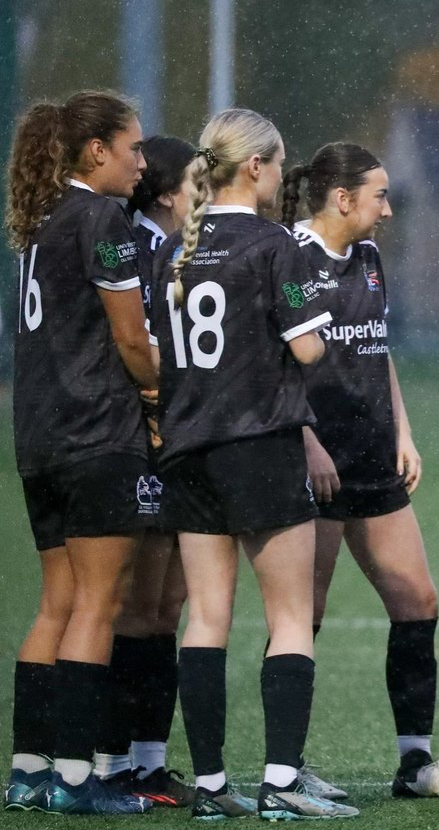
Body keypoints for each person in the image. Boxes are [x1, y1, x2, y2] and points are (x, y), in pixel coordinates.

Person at [149, 108, 357, 820]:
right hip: (259, 444)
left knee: (205, 618)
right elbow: (307, 351)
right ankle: (280, 783)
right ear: (256, 168)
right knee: (291, 616)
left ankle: (210, 789)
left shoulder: (174, 247)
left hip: (186, 449)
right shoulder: (274, 245)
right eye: (279, 161)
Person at [280, 141, 439, 800]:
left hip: (373, 459)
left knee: (418, 602)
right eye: (380, 196)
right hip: (317, 466)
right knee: (301, 617)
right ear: (343, 199)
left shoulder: (366, 260)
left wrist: (405, 431)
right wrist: (306, 440)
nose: (389, 210)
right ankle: (289, 766)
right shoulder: (288, 257)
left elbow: (378, 349)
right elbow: (273, 367)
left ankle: (415, 764)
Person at [4, 90, 157, 815]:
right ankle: (75, 779)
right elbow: (131, 340)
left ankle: (29, 771)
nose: (142, 162)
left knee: (57, 603)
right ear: (96, 151)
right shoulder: (102, 218)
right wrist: (161, 397)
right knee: (100, 601)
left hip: (38, 437)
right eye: (133, 148)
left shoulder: (42, 223)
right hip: (96, 433)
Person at [90, 134, 199, 809]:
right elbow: (135, 347)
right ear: (165, 192)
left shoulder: (174, 254)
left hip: (180, 439)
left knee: (166, 608)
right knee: (134, 608)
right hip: (143, 439)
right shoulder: (139, 251)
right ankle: (111, 763)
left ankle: (151, 767)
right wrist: (160, 409)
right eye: (196, 183)